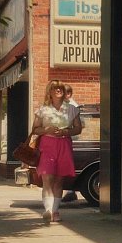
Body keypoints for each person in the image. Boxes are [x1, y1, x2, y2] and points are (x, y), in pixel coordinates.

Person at [31, 80, 83, 222]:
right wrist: (46, 129)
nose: (58, 90)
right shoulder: (43, 109)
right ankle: (48, 210)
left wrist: (66, 131)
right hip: (47, 144)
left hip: (64, 144)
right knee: (47, 178)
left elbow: (78, 128)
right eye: (55, 88)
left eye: (60, 88)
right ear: (50, 91)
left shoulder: (72, 109)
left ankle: (55, 211)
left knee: (59, 180)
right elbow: (35, 129)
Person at [61, 84, 79, 203]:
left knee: (68, 166)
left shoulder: (73, 106)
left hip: (72, 138)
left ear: (68, 94)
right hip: (67, 138)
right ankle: (69, 190)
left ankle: (70, 190)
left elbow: (80, 124)